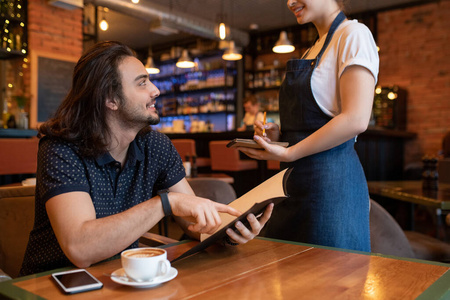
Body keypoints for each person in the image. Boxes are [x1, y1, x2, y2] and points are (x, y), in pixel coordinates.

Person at [20, 41, 273, 276]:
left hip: (122, 280)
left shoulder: (154, 145)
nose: (156, 90)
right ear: (111, 99)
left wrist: (231, 232)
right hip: (50, 284)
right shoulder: (61, 148)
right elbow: (80, 249)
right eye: (142, 83)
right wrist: (166, 203)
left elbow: (195, 225)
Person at [238, 0, 379, 252]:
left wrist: (290, 151)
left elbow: (356, 118)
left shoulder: (354, 35)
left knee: (332, 283)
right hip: (292, 184)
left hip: (331, 186)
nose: (290, 2)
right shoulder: (312, 49)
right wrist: (279, 135)